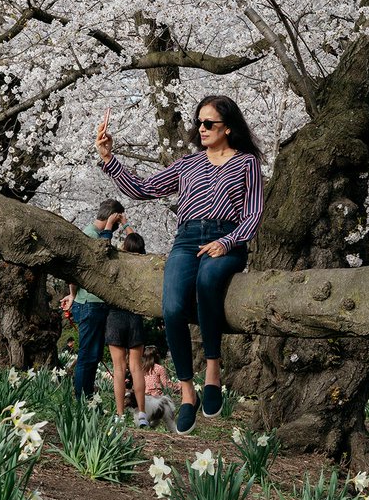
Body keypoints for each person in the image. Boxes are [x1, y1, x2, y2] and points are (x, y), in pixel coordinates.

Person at [96, 95, 264, 434]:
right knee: (172, 307)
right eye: (198, 122)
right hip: (186, 239)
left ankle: (213, 371)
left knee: (207, 284)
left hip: (227, 238)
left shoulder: (246, 163)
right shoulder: (188, 165)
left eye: (209, 123)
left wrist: (227, 242)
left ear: (227, 127)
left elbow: (255, 212)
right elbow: (144, 189)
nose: (200, 128)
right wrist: (109, 158)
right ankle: (188, 392)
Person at [59, 199, 129, 399]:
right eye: (117, 222)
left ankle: (87, 394)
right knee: (88, 354)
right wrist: (73, 295)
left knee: (94, 354)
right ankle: (82, 397)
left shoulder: (95, 235)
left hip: (94, 304)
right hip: (90, 304)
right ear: (112, 218)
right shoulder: (91, 236)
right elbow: (82, 268)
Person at [106, 232, 150, 426]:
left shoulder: (118, 262)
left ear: (124, 246)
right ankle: (141, 414)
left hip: (115, 317)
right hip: (135, 317)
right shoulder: (145, 265)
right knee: (136, 367)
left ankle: (120, 414)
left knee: (118, 368)